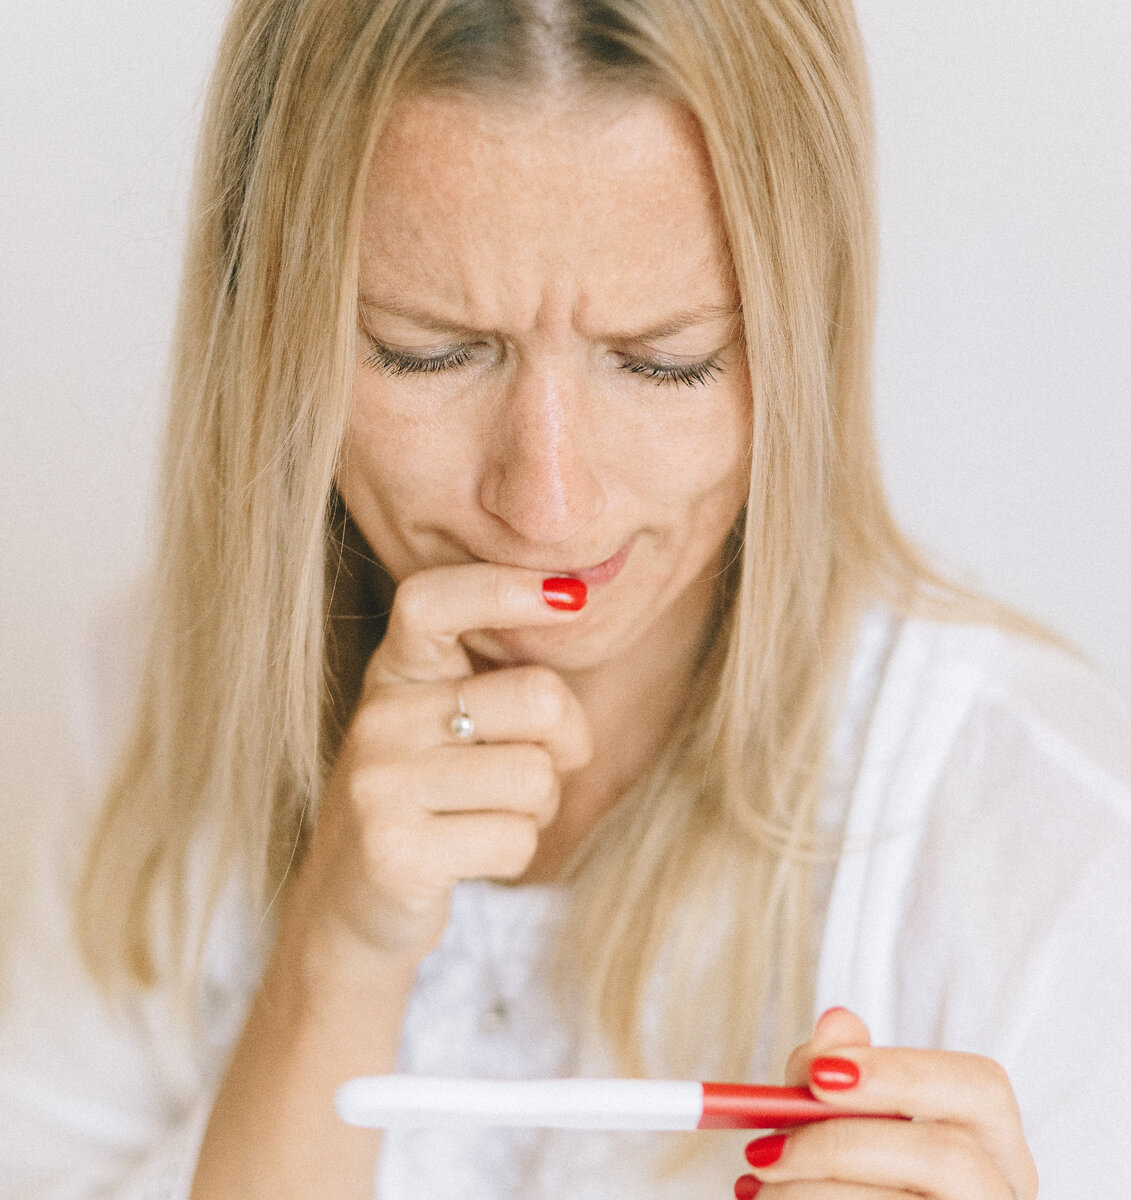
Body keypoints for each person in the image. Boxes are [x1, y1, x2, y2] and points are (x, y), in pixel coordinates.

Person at [1, 0, 1129, 1196]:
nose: (546, 504)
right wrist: (333, 962)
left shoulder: (1035, 834)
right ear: (268, 325)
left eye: (664, 360)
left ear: (804, 340)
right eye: (429, 350)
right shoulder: (146, 697)